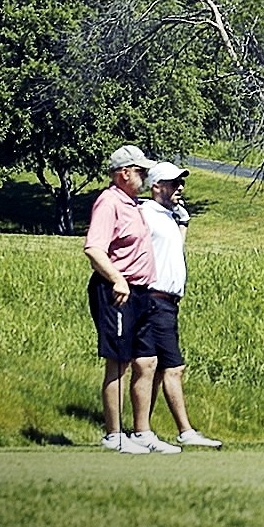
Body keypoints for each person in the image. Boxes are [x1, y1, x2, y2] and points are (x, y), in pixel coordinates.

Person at [83, 144, 179, 454]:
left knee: (147, 361)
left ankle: (142, 432)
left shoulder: (135, 205)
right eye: (140, 171)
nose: (145, 177)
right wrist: (117, 279)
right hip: (117, 291)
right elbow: (94, 249)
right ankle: (114, 435)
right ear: (124, 173)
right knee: (119, 362)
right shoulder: (109, 202)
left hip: (141, 292)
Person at [136, 160, 224, 448]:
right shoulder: (146, 214)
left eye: (181, 183)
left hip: (168, 302)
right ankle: (184, 431)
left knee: (158, 370)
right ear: (156, 186)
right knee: (172, 367)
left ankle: (142, 430)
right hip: (154, 298)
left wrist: (183, 223)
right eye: (174, 183)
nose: (180, 187)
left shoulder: (167, 217)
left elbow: (174, 249)